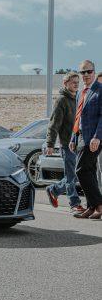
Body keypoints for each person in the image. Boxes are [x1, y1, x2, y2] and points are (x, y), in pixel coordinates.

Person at [45, 72, 84, 214]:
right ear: (65, 83)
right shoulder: (61, 100)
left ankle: (54, 189)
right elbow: (54, 124)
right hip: (67, 144)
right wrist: (50, 144)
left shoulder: (79, 98)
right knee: (71, 175)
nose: (76, 84)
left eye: (77, 82)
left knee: (76, 174)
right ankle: (74, 203)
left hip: (79, 144)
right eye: (73, 82)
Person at [69, 60, 102, 219]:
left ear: (94, 72)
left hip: (93, 138)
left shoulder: (100, 90)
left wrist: (97, 137)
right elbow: (78, 118)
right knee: (89, 171)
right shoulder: (81, 93)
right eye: (83, 72)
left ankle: (99, 205)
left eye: (89, 71)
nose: (86, 75)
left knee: (80, 170)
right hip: (81, 136)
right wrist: (73, 137)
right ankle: (91, 206)